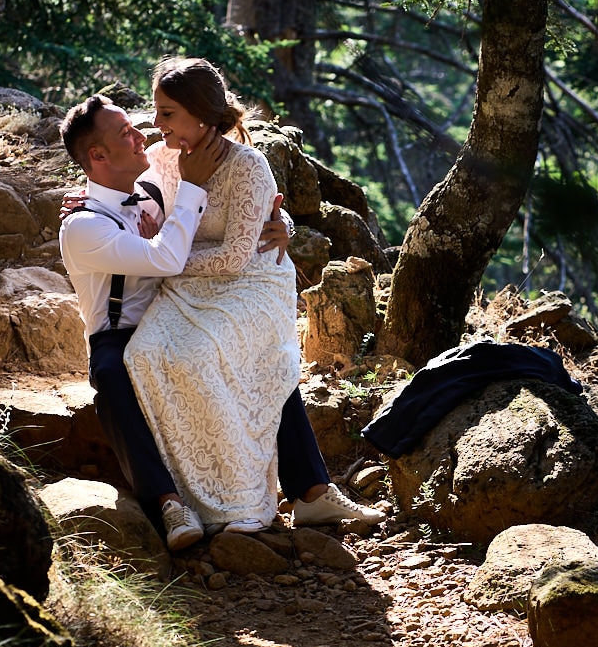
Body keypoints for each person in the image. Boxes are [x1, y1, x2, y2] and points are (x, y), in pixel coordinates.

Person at [57, 92, 378, 549]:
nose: (142, 135)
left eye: (136, 125)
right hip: (119, 331)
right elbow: (166, 257)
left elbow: (232, 204)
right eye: (126, 132)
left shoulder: (152, 185)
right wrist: (190, 187)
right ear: (97, 156)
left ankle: (312, 491)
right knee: (114, 373)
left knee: (252, 338)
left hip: (182, 304)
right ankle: (168, 504)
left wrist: (277, 219)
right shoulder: (84, 225)